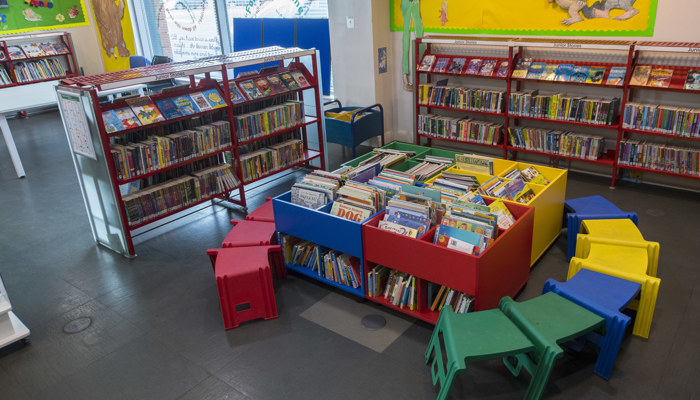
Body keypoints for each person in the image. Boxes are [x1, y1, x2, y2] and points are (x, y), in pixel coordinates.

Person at [401, 0, 423, 91]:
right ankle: (405, 79)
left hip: (414, 3)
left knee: (419, 38)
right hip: (409, 3)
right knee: (406, 41)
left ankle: (413, 77)